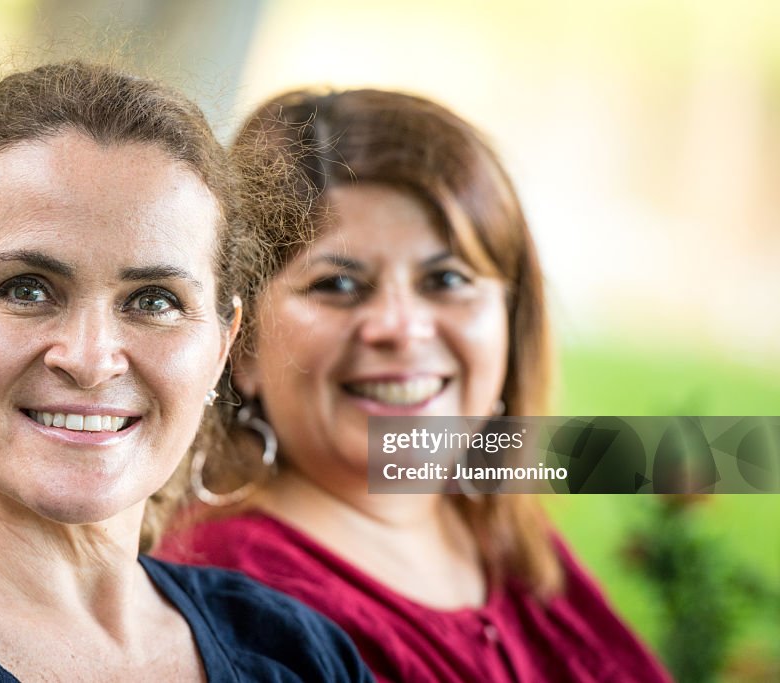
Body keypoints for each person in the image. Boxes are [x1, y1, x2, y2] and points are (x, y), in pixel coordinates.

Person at [0, 63, 372, 682]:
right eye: (27, 290)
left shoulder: (292, 649)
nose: (88, 357)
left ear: (221, 344)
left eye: (154, 300)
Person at [157, 89, 673, 682]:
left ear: (509, 318)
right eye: (338, 285)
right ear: (241, 344)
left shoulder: (498, 532)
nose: (402, 328)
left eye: (446, 278)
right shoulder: (239, 601)